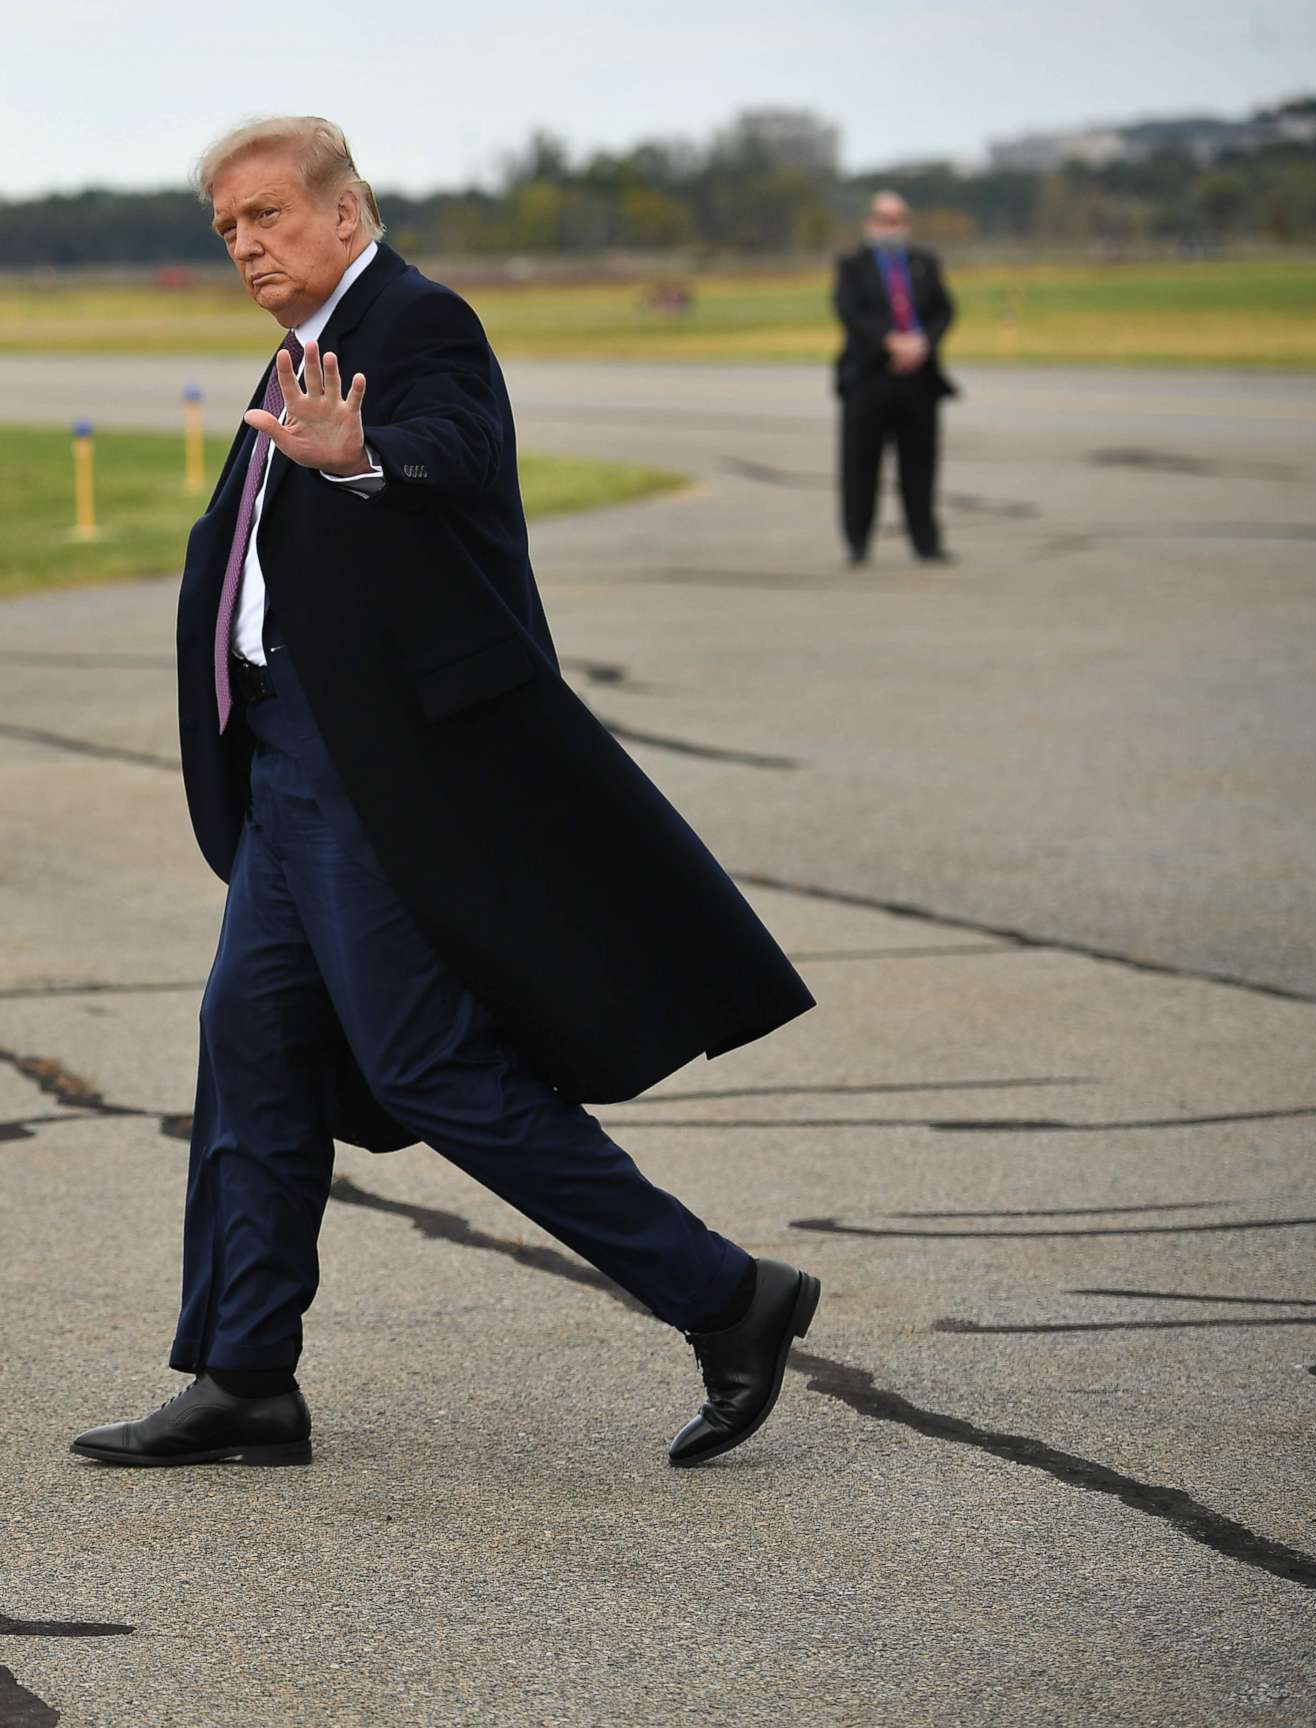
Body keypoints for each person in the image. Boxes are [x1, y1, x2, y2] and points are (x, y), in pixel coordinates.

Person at [70, 117, 821, 1474]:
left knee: (431, 1067)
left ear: (345, 214)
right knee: (252, 1041)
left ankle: (727, 1296)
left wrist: (359, 460)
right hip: (292, 772)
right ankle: (246, 1376)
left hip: (382, 775)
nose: (245, 244)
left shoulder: (419, 323)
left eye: (268, 217)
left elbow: (449, 449)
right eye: (227, 227)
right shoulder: (299, 346)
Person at [834, 191, 958, 564]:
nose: (890, 226)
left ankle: (926, 541)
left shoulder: (924, 262)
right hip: (868, 377)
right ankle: (858, 542)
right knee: (860, 465)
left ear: (906, 222)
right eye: (883, 218)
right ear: (870, 222)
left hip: (918, 379)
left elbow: (944, 309)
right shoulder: (853, 264)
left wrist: (922, 343)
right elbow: (849, 312)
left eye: (897, 218)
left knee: (920, 464)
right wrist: (890, 342)